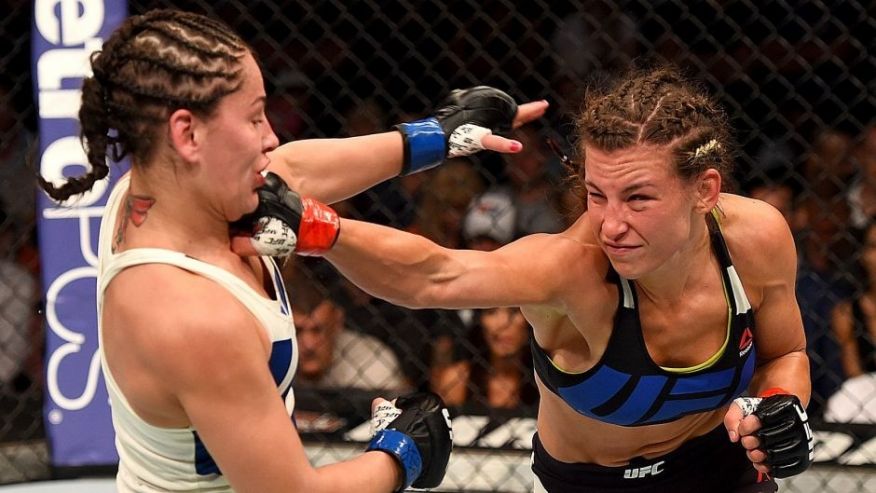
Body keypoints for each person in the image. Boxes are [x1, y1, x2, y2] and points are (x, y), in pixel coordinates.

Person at [36, 9, 548, 492]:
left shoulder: (163, 191)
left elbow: (294, 167)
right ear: (188, 133)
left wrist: (438, 135)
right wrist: (402, 453)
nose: (271, 135)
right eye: (256, 117)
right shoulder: (189, 314)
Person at [248, 66, 815, 492]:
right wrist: (318, 229)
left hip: (721, 466)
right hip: (591, 484)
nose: (611, 224)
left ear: (705, 191)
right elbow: (433, 277)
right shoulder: (572, 270)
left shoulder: (756, 238)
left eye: (638, 198)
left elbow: (786, 350)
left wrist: (782, 406)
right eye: (597, 194)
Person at [289, 266, 409, 392]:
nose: (308, 345)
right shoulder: (271, 355)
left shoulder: (372, 364)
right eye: (297, 331)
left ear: (336, 323)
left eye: (317, 330)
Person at [431, 307, 537, 413]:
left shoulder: (545, 380)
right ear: (480, 321)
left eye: (514, 311)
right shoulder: (458, 379)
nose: (503, 323)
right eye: (491, 312)